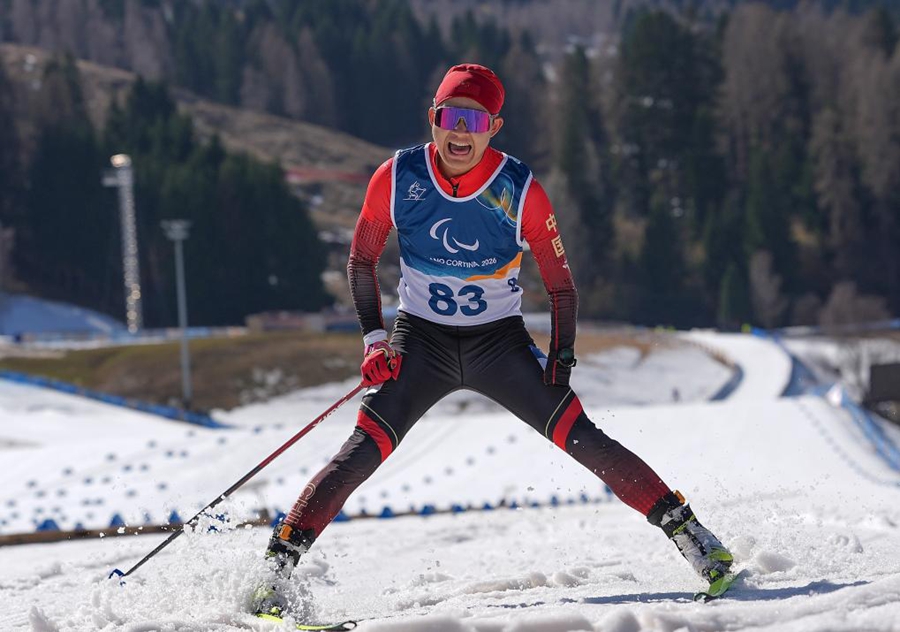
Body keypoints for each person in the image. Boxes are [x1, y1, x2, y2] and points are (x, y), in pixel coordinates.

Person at [253, 63, 732, 616]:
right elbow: (361, 261)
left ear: (494, 128)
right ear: (433, 119)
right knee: (359, 454)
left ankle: (699, 544)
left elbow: (561, 286)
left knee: (585, 440)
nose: (459, 133)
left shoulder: (520, 189)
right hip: (419, 343)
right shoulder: (397, 177)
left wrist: (563, 356)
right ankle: (273, 577)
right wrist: (374, 341)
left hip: (498, 346)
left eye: (473, 121)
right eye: (449, 117)